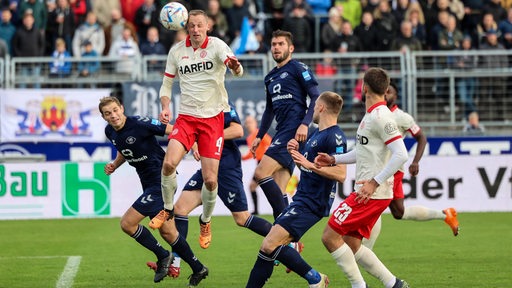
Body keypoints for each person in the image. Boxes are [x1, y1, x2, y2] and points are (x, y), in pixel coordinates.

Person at [149, 9, 244, 252]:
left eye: (200, 25)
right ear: (185, 26)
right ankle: (168, 208)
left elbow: (237, 70)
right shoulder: (177, 51)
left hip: (213, 119)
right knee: (168, 164)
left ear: (208, 26)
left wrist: (234, 66)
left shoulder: (218, 46)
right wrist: (165, 107)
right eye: (191, 25)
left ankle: (205, 221)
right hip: (187, 118)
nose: (195, 29)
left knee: (211, 180)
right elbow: (167, 83)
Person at [315, 67, 410, 288]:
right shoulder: (372, 115)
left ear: (364, 87)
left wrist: (374, 182)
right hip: (371, 191)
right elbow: (362, 151)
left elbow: (401, 154)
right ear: (386, 89)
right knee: (351, 242)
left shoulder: (381, 117)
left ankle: (360, 286)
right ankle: (394, 284)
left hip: (371, 193)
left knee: (329, 236)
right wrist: (334, 159)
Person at [98, 96, 209, 286]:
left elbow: (176, 130)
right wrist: (115, 165)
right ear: (104, 117)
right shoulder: (110, 131)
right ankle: (199, 268)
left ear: (122, 108)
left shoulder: (141, 123)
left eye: (115, 110)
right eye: (108, 113)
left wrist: (195, 145)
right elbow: (125, 149)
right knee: (168, 233)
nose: (113, 116)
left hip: (162, 181)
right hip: (148, 183)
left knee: (127, 223)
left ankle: (163, 256)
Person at [155, 102, 273, 279]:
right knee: (180, 209)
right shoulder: (192, 105)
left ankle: (283, 239)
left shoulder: (221, 102)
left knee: (242, 218)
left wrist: (207, 137)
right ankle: (176, 263)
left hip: (226, 166)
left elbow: (238, 131)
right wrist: (195, 144)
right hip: (206, 166)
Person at [246, 91, 347, 288]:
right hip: (301, 199)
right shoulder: (315, 134)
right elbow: (307, 167)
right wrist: (295, 154)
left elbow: (341, 174)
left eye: (314, 105)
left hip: (313, 203)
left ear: (321, 107)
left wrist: (309, 165)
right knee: (270, 246)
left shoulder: (335, 136)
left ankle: (315, 278)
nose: (311, 111)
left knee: (269, 244)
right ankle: (314, 279)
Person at [362, 81, 460, 250]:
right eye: (385, 92)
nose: (386, 95)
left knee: (373, 205)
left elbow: (421, 137)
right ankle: (445, 214)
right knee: (398, 212)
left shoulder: (402, 117)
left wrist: (415, 161)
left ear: (396, 96)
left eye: (390, 92)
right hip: (379, 166)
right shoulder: (375, 113)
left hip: (391, 169)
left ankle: (364, 251)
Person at [251, 29, 320, 220]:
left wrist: (305, 124)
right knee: (280, 190)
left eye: (281, 44)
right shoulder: (270, 77)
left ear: (291, 48)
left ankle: (284, 231)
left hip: (294, 130)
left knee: (260, 173)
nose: (276, 48)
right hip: (283, 131)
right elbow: (269, 110)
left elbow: (315, 97)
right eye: (273, 44)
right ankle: (287, 237)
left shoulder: (298, 68)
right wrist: (259, 136)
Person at [242, 115, 272, 215]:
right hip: (260, 163)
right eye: (247, 123)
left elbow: (270, 144)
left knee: (256, 186)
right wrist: (242, 157)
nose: (248, 125)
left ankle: (257, 210)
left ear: (255, 123)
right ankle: (256, 210)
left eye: (250, 122)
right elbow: (252, 153)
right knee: (252, 186)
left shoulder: (260, 134)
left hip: (266, 162)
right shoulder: (250, 138)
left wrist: (269, 159)